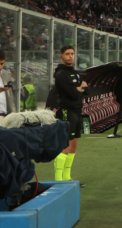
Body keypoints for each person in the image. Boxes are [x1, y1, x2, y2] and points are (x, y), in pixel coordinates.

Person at [52, 45, 88, 183]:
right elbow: (73, 94)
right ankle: (58, 180)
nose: (70, 56)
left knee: (74, 145)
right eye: (67, 54)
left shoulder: (75, 72)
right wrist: (80, 89)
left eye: (72, 53)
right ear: (61, 56)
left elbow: (87, 90)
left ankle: (67, 177)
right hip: (66, 111)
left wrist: (81, 89)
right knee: (65, 145)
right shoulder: (61, 74)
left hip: (77, 110)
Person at [0, 48, 16, 126]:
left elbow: (10, 98)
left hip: (6, 118)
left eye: (2, 64)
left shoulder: (5, 74)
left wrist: (14, 116)